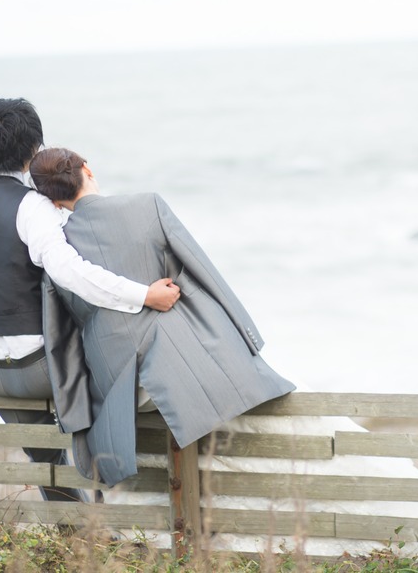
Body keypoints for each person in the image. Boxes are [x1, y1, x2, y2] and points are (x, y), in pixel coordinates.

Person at [0, 99, 181, 502]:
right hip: (41, 369)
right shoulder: (33, 206)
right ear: (33, 150)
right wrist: (144, 294)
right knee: (130, 375)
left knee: (44, 456)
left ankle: (75, 527)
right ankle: (126, 501)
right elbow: (71, 273)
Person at [29, 147, 295, 489]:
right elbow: (203, 273)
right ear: (87, 169)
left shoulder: (56, 252)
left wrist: (77, 416)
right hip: (175, 359)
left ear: (52, 201)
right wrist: (248, 341)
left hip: (119, 387)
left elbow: (61, 339)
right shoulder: (147, 206)